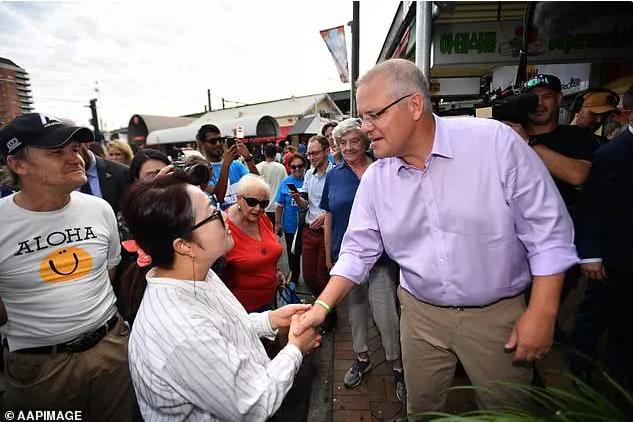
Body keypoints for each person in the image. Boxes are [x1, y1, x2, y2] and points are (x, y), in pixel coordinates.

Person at [294, 59, 577, 414]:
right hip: (419, 316)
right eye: (362, 118)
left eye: (373, 115)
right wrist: (321, 307)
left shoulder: (493, 143)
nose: (366, 130)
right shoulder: (377, 179)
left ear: (413, 105)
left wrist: (542, 310)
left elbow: (548, 231)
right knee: (421, 408)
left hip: (497, 317)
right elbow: (357, 250)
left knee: (506, 411)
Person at [122, 172, 320, 421]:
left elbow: (222, 330)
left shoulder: (199, 273)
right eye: (213, 214)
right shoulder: (182, 331)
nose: (224, 216)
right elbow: (255, 404)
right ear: (184, 245)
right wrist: (295, 349)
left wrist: (270, 320)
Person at [0, 113, 136, 420]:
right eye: (57, 152)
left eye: (75, 148)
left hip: (111, 350)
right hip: (41, 369)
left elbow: (108, 272)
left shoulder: (99, 210)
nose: (76, 157)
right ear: (19, 165)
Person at [320, 118, 405, 399]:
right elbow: (329, 215)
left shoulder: (383, 168)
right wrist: (329, 254)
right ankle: (363, 358)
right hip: (348, 257)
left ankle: (396, 365)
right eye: (342, 143)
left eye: (354, 141)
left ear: (365, 142)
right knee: (356, 315)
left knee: (386, 315)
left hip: (381, 258)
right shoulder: (334, 174)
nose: (347, 147)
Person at [572, 85, 633, 389]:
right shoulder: (612, 154)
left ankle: (618, 374)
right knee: (595, 314)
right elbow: (592, 207)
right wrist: (591, 254)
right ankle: (579, 369)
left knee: (625, 321)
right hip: (614, 257)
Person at [291, 135, 335, 333]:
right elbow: (306, 203)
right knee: (308, 276)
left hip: (327, 233)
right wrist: (297, 197)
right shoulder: (309, 174)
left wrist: (326, 217)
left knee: (322, 276)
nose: (311, 157)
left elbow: (340, 205)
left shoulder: (336, 174)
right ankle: (323, 305)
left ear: (326, 151)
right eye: (309, 153)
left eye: (315, 153)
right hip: (309, 230)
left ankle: (328, 313)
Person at [224, 174, 284, 313]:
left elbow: (268, 249)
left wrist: (276, 271)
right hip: (242, 309)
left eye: (264, 204)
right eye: (252, 202)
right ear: (239, 198)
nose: (258, 208)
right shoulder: (224, 228)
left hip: (269, 300)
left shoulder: (262, 218)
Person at [196, 124, 258, 210]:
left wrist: (248, 158)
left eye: (220, 140)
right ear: (200, 145)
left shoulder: (237, 165)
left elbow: (257, 183)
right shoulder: (201, 171)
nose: (218, 144)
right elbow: (219, 198)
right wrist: (226, 164)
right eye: (212, 141)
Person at [275, 153, 306, 285]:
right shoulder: (286, 182)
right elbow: (279, 204)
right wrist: (277, 223)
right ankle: (294, 279)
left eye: (300, 166)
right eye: (294, 167)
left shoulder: (310, 179)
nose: (297, 169)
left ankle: (309, 279)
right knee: (292, 255)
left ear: (305, 166)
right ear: (289, 168)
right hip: (290, 225)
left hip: (307, 226)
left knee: (308, 255)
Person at [78, 140, 130, 215]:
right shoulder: (59, 177)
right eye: (58, 153)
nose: (70, 158)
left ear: (86, 144)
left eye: (75, 149)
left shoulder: (121, 172)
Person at [256, 143, 288, 223]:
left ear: (264, 153)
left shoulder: (258, 167)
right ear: (275, 154)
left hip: (262, 206)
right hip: (277, 207)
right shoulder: (281, 168)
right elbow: (285, 185)